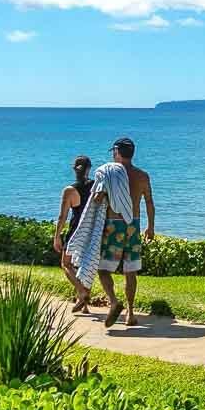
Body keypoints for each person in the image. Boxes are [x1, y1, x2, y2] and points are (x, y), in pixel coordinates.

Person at [72, 137, 154, 327]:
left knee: (103, 269)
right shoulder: (142, 176)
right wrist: (151, 226)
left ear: (117, 152)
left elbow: (98, 198)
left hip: (114, 225)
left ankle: (115, 302)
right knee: (130, 270)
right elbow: (149, 202)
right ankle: (131, 314)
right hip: (133, 224)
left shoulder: (109, 174)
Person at [52, 156, 94, 311]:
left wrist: (57, 236)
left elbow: (62, 216)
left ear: (74, 169)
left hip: (76, 230)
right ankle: (84, 305)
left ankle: (82, 292)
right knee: (84, 266)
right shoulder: (95, 187)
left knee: (66, 264)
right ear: (89, 168)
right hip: (91, 229)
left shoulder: (69, 190)